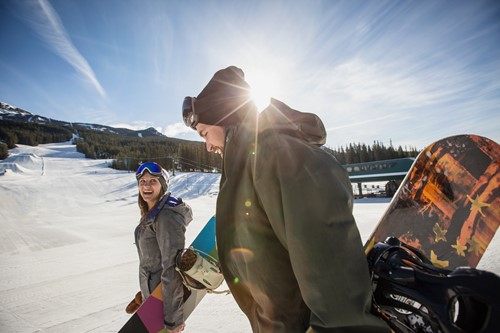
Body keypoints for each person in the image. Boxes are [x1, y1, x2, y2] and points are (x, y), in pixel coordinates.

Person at [181, 66, 390, 333]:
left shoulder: (282, 156)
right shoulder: (244, 166)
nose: (207, 146)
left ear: (223, 117)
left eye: (204, 133)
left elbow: (331, 273)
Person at [129, 162, 192, 333]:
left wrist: (173, 320)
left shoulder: (165, 217)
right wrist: (145, 293)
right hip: (155, 297)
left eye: (153, 181)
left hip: (166, 306)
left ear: (162, 185)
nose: (146, 186)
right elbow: (152, 262)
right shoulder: (151, 214)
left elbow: (172, 268)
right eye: (142, 182)